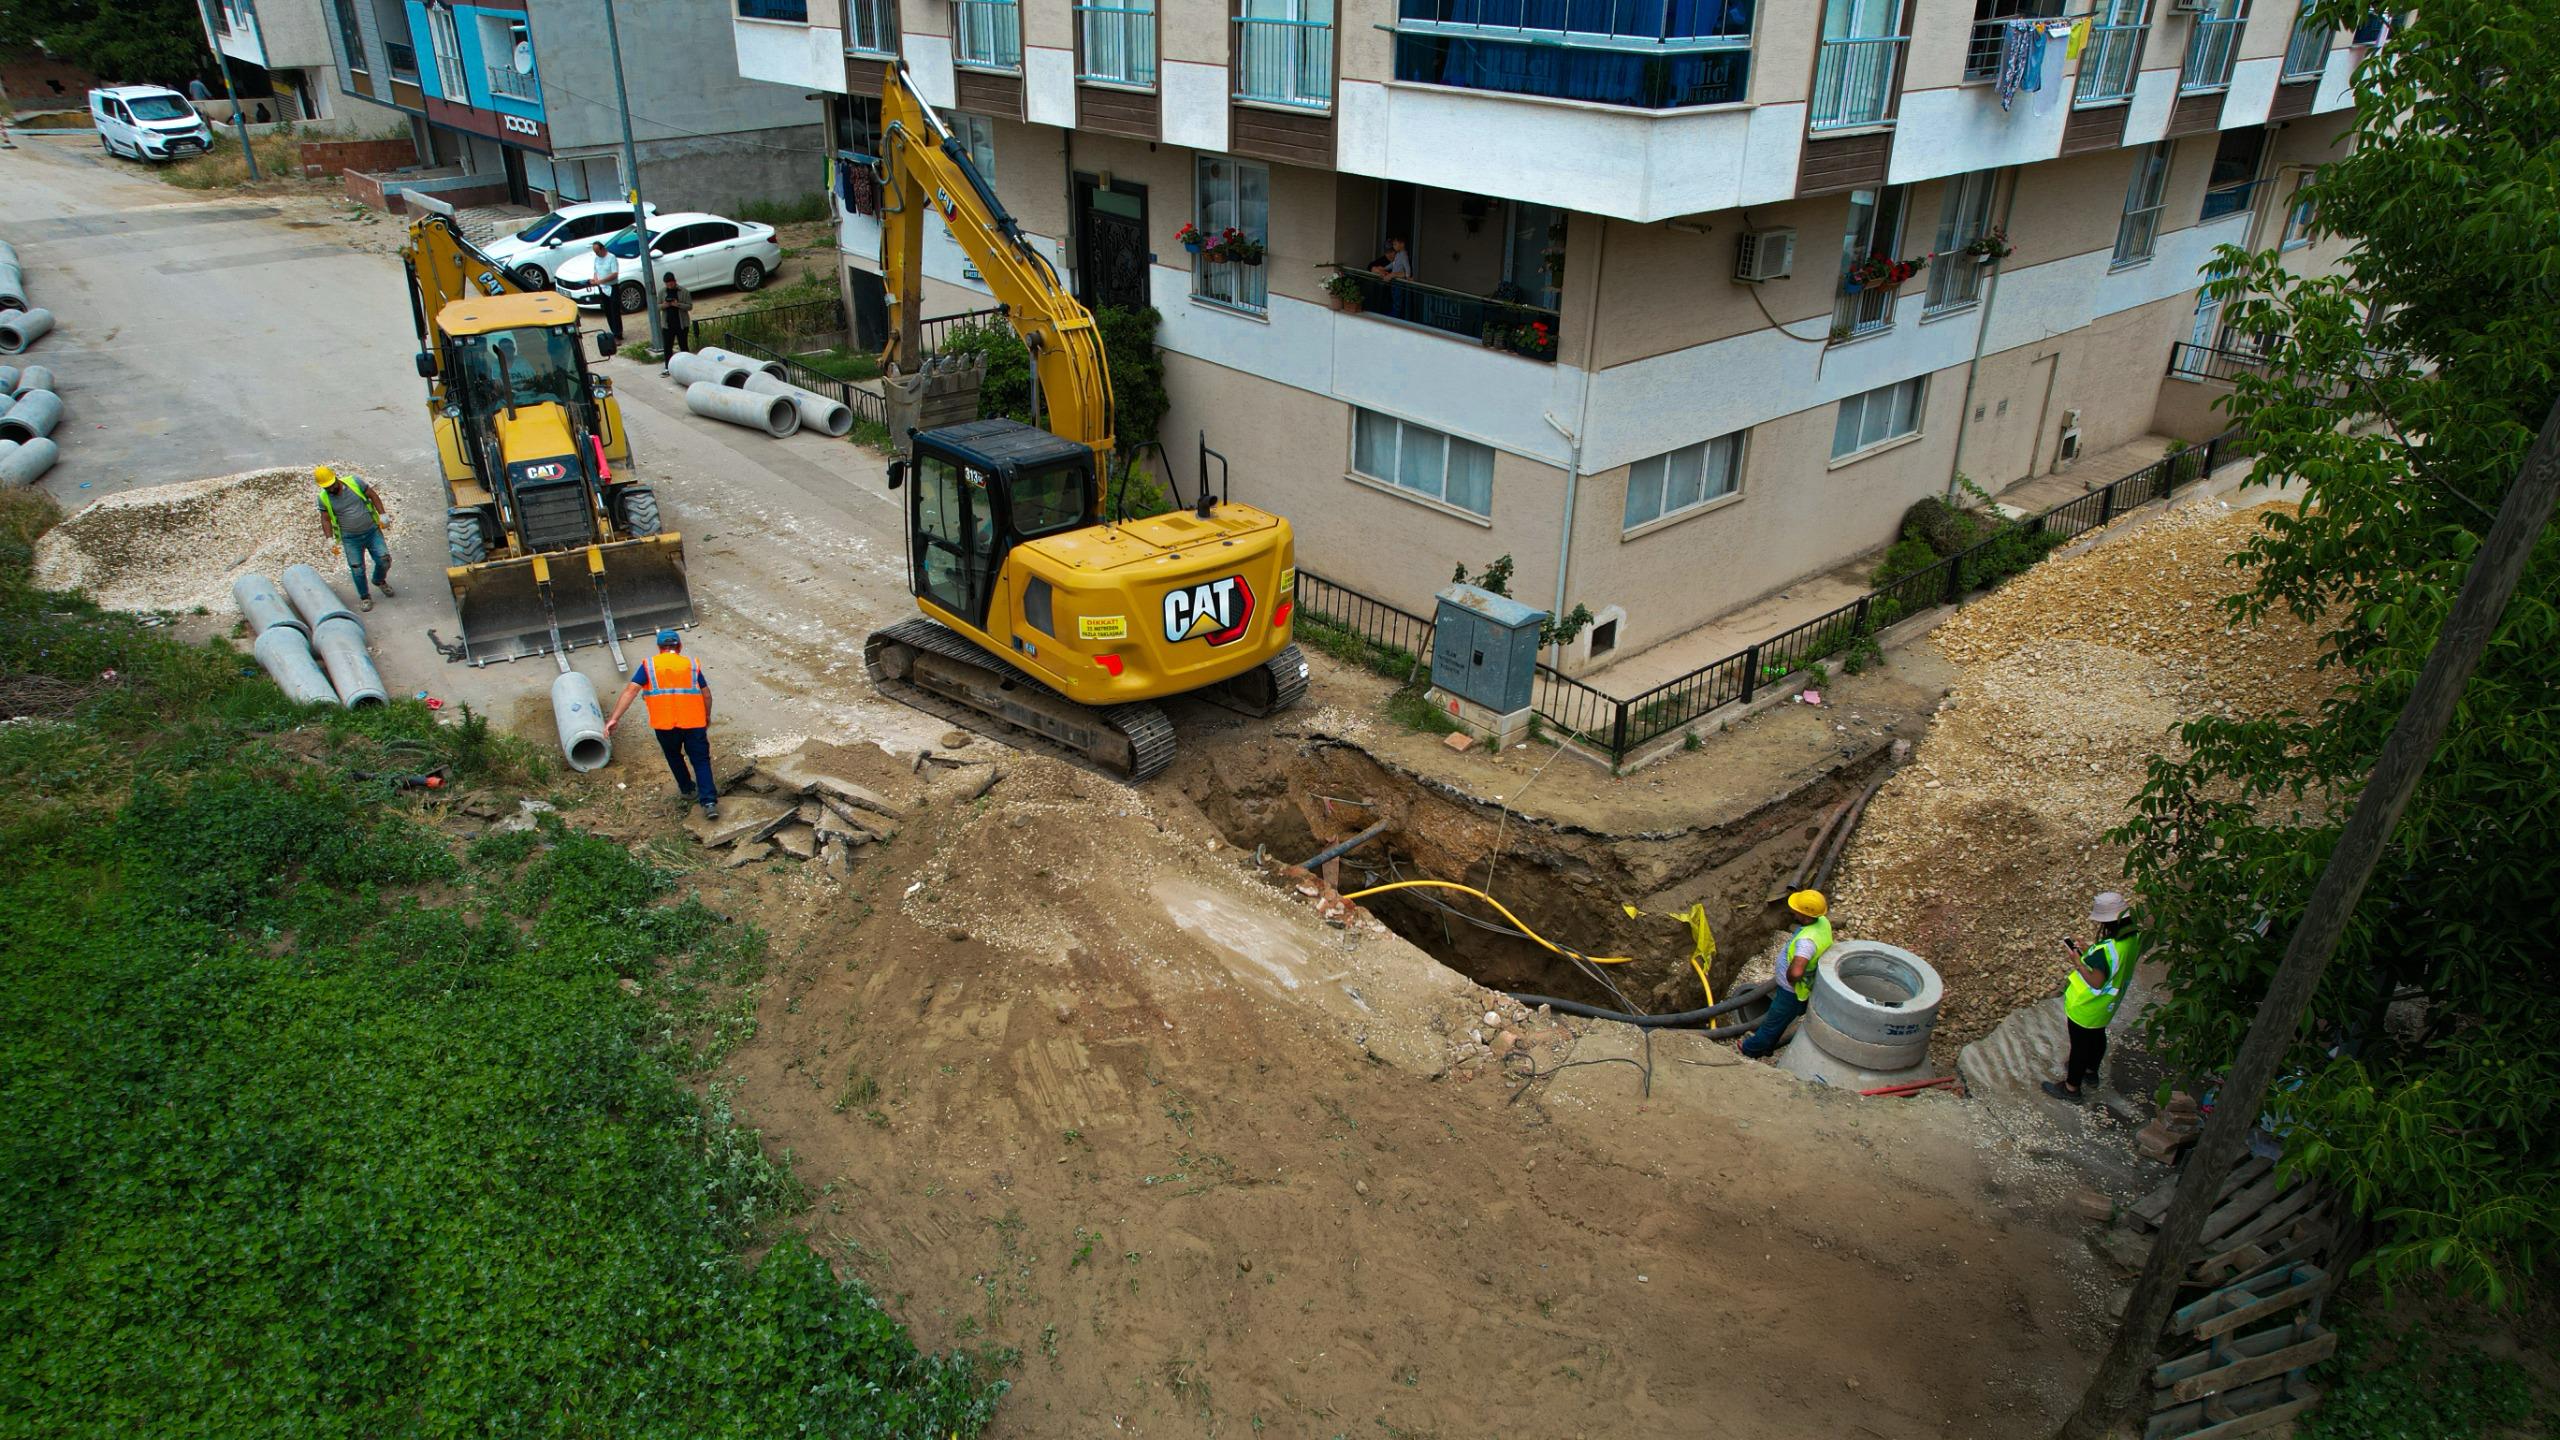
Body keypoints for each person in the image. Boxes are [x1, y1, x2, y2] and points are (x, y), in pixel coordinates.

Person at [604, 629, 718, 819]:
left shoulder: (649, 665)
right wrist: (706, 716)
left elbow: (630, 691)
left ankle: (688, 789)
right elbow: (706, 693)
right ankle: (709, 802)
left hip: (664, 725)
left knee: (674, 756)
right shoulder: (690, 664)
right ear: (679, 646)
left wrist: (614, 718)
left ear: (659, 648)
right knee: (700, 760)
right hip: (693, 722)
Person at [2044, 892, 2140, 1102]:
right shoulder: (2132, 938)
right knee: (2097, 1038)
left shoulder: (2108, 949)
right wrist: (2090, 951)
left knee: (2079, 1048)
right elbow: (2113, 964)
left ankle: (2071, 1088)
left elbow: (2096, 980)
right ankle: (2090, 1072)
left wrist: (2077, 961)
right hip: (2107, 1006)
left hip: (2087, 1007)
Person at [1740, 889, 1832, 1059]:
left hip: (1793, 991)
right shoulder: (1822, 922)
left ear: (1805, 916)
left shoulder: (1807, 942)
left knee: (1772, 1023)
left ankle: (1749, 1050)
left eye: (1796, 910)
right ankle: (1768, 1047)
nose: (1793, 911)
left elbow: (1796, 972)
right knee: (1781, 1020)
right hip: (1802, 989)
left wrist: (1789, 979)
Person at [313, 465, 393, 612]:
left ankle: (378, 580)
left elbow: (373, 495)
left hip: (372, 531)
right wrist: (329, 538)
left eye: (332, 485)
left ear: (335, 478)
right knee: (357, 569)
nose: (330, 489)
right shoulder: (323, 498)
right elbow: (325, 519)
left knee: (384, 559)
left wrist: (382, 514)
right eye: (326, 488)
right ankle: (365, 597)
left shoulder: (354, 482)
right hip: (350, 538)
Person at [588, 240, 623, 343]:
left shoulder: (611, 258)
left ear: (602, 249)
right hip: (602, 287)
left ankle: (618, 334)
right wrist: (595, 280)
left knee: (614, 311)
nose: (597, 254)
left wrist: (600, 281)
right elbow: (596, 271)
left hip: (611, 287)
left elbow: (614, 274)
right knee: (607, 311)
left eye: (597, 251)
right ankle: (613, 331)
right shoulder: (596, 259)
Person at [656, 273, 691, 373]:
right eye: (667, 284)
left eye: (671, 283)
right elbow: (658, 306)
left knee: (683, 345)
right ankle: (668, 367)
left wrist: (678, 304)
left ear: (675, 281)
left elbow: (689, 306)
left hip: (681, 324)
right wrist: (664, 305)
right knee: (667, 347)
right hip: (667, 324)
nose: (669, 285)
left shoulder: (683, 291)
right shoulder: (662, 292)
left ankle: (687, 365)